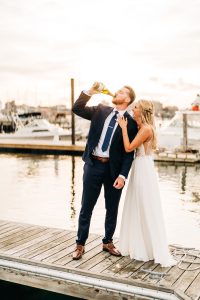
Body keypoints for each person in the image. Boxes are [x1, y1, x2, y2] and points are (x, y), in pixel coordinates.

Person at [72, 83, 138, 260]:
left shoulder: (131, 124)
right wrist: (90, 92)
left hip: (114, 171)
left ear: (128, 99)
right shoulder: (101, 110)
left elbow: (128, 153)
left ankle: (107, 242)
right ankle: (80, 244)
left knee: (112, 207)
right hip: (93, 165)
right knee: (86, 207)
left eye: (122, 92)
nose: (117, 92)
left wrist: (123, 175)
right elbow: (77, 108)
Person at [117, 100, 176, 267]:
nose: (133, 109)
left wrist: (122, 128)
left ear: (142, 111)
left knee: (143, 205)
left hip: (142, 168)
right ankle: (142, 243)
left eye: (135, 107)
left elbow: (129, 148)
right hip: (142, 166)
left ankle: (147, 247)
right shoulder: (142, 127)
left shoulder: (145, 129)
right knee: (139, 205)